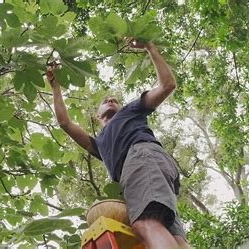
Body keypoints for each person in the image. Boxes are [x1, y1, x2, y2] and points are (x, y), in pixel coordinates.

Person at [46, 40, 190, 249]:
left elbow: (168, 85)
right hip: (149, 169)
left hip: (143, 157)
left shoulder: (130, 111)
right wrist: (55, 87)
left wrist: (150, 48)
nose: (110, 99)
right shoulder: (101, 144)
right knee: (175, 238)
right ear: (97, 116)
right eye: (106, 100)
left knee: (146, 223)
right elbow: (65, 123)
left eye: (114, 99)